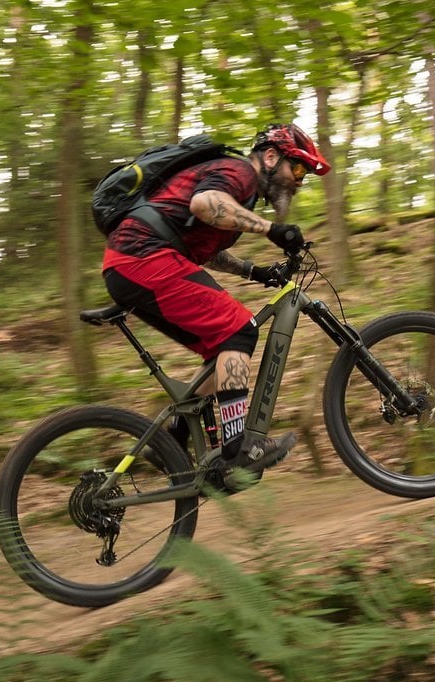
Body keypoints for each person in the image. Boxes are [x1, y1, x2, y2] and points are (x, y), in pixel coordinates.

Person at [101, 123, 330, 478]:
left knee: (220, 350)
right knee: (239, 331)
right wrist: (271, 230)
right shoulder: (238, 172)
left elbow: (205, 251)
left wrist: (256, 272)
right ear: (271, 157)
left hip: (133, 263)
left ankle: (172, 442)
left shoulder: (239, 197)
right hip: (143, 257)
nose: (300, 181)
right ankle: (239, 448)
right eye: (297, 168)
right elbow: (206, 204)